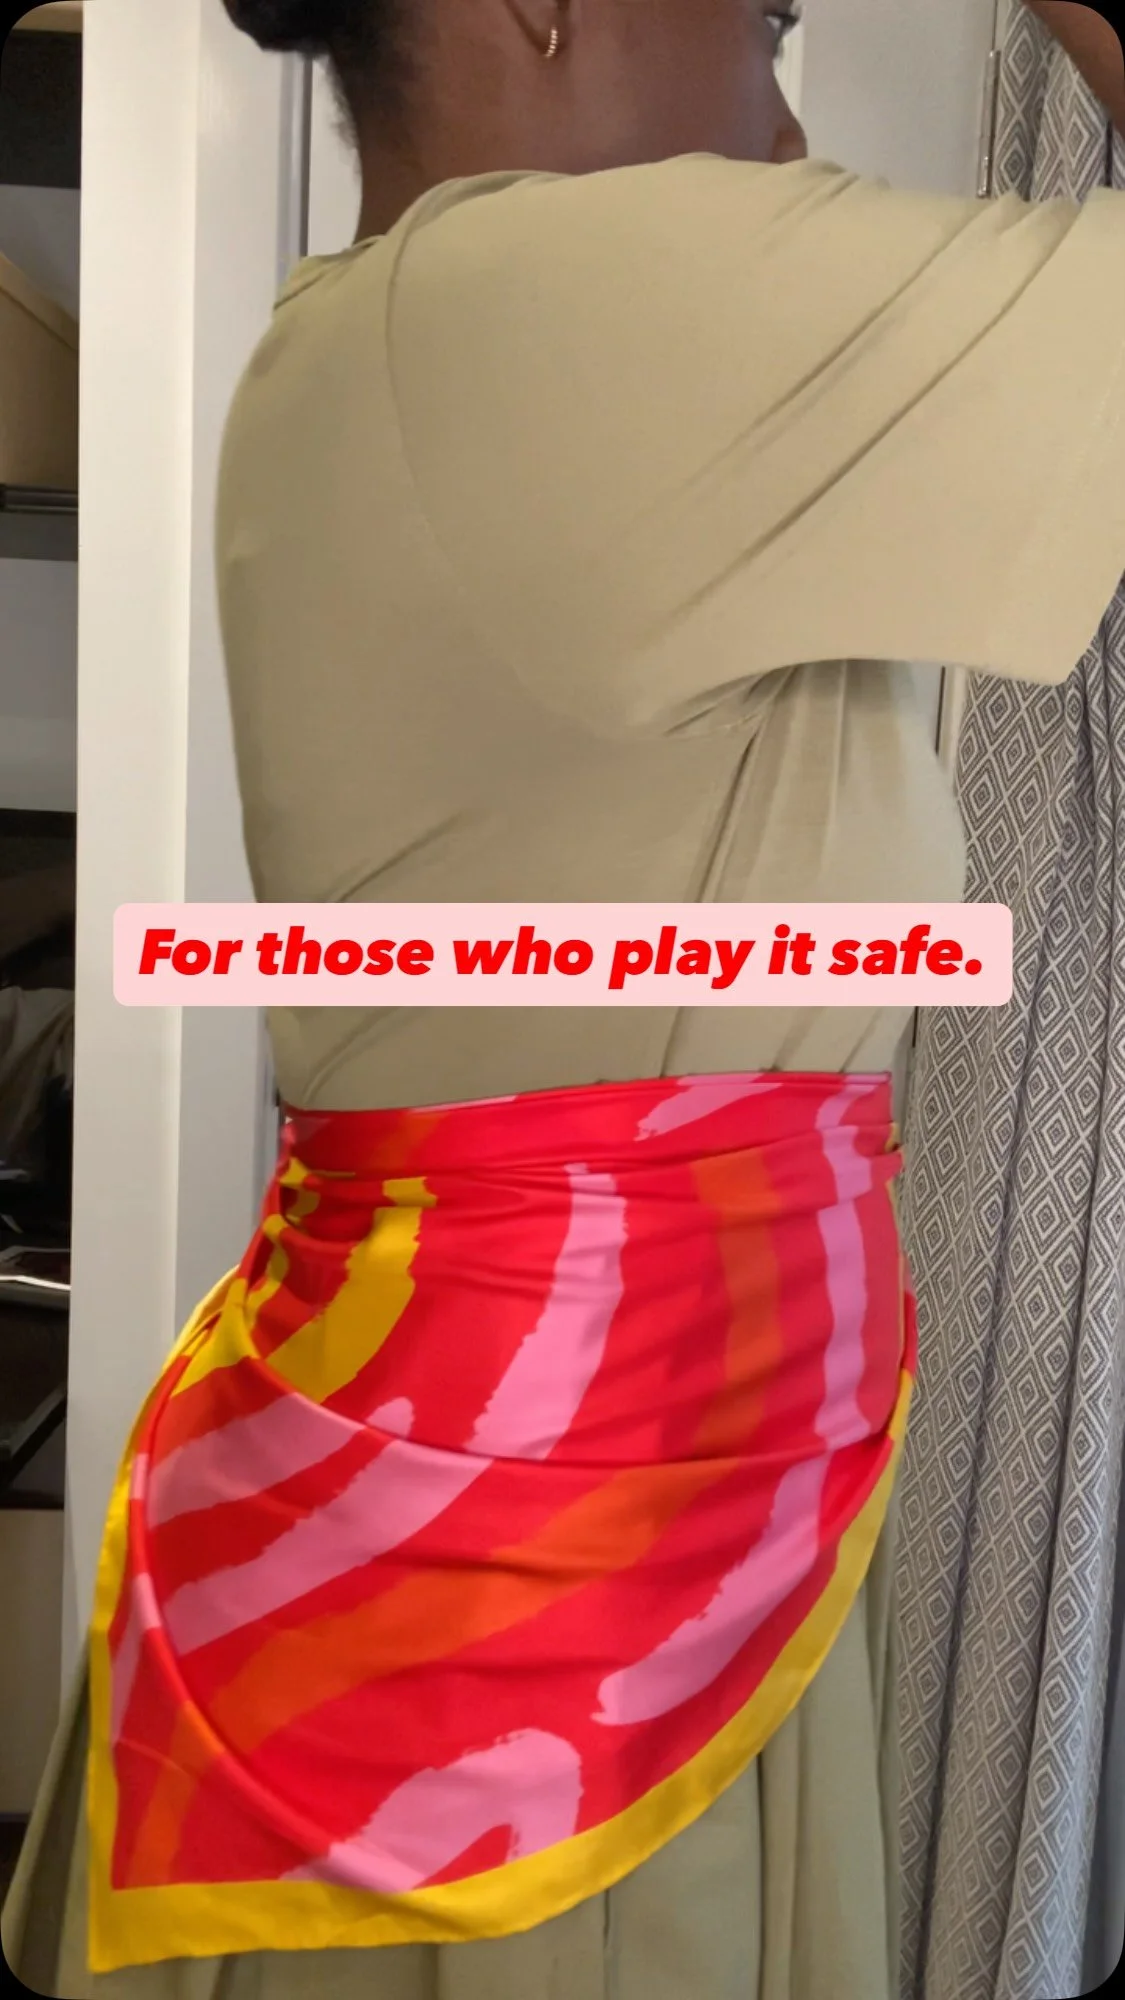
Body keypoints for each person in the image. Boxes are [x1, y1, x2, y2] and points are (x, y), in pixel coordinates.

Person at [4, 4, 1125, 1998]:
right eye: (763, 21)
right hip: (545, 1650)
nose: (787, 119)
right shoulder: (562, 301)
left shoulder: (360, 344)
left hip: (536, 1566)